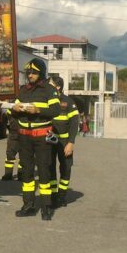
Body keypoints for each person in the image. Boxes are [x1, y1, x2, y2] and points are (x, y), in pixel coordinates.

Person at [12, 59, 61, 220]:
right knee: (26, 172)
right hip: (24, 136)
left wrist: (38, 109)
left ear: (41, 73)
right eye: (28, 73)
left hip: (42, 138)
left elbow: (55, 110)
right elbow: (11, 112)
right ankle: (28, 205)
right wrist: (14, 108)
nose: (30, 75)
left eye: (33, 72)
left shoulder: (49, 90)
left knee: (44, 171)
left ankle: (46, 207)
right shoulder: (22, 90)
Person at [49, 76, 80, 208]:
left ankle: (62, 196)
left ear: (58, 87)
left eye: (50, 85)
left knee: (66, 168)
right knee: (49, 168)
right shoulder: (47, 100)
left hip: (64, 141)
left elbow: (74, 123)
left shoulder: (68, 102)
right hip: (49, 140)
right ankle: (53, 195)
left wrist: (71, 142)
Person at [1, 106, 20, 180]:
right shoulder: (11, 106)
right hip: (15, 133)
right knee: (10, 155)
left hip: (19, 132)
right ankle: (8, 174)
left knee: (22, 155)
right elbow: (5, 118)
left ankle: (20, 174)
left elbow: (5, 119)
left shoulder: (12, 106)